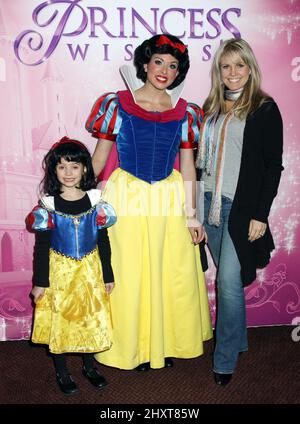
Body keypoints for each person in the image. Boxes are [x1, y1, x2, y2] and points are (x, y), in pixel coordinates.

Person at [85, 34, 213, 371]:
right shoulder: (117, 105)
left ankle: (166, 342)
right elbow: (99, 159)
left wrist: (191, 215)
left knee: (170, 270)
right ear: (145, 64)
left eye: (173, 66)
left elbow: (188, 166)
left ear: (177, 73)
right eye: (159, 62)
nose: (165, 70)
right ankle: (134, 347)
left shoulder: (186, 113)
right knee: (129, 272)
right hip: (127, 196)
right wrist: (76, 199)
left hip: (168, 199)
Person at [196, 38, 283, 386]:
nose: (233, 73)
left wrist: (260, 215)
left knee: (228, 281)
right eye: (225, 66)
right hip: (206, 204)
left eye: (239, 65)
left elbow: (271, 167)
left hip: (239, 208)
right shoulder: (210, 107)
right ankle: (240, 340)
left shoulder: (264, 108)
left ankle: (225, 359)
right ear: (219, 70)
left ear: (250, 67)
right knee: (225, 276)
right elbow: (197, 161)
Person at [26, 137, 117, 395]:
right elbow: (41, 247)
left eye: (74, 166)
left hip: (89, 273)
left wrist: (108, 275)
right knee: (61, 320)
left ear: (85, 169)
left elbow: (104, 241)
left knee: (88, 318)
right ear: (54, 170)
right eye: (62, 166)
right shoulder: (48, 207)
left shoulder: (96, 203)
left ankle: (90, 367)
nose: (68, 172)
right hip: (59, 275)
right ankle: (62, 371)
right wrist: (40, 282)